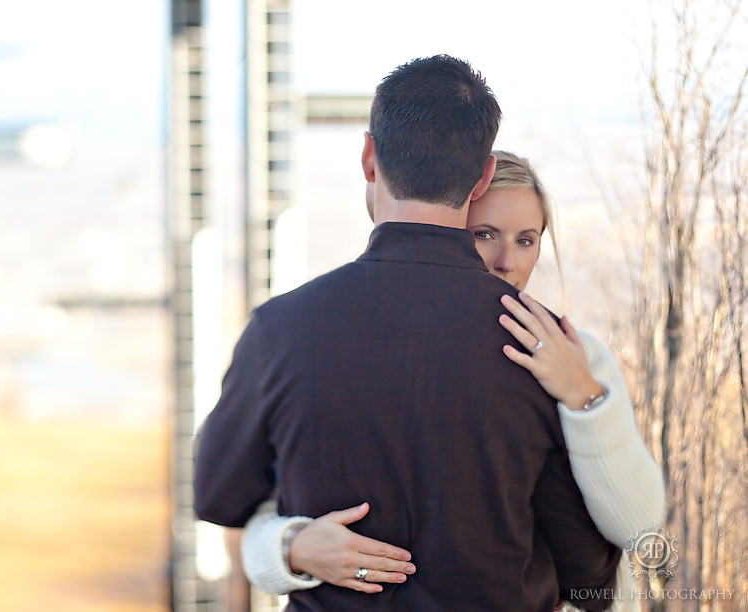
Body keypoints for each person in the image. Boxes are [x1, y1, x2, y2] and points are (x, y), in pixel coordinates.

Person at [194, 55, 621, 611]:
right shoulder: (542, 346)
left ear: (370, 157)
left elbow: (218, 496)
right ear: (483, 176)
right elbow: (589, 577)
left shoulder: (282, 330)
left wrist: (294, 544)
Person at [239, 151, 665, 611]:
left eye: (526, 240)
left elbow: (638, 527)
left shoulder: (579, 357)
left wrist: (585, 397)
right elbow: (260, 513)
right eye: (484, 235)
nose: (506, 262)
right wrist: (292, 548)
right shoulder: (345, 351)